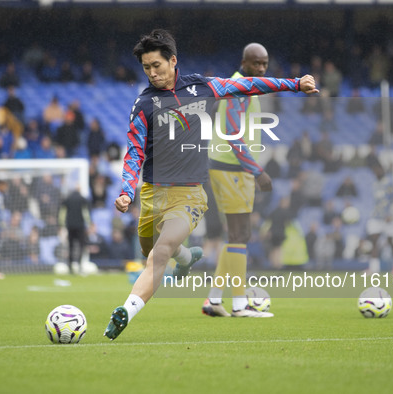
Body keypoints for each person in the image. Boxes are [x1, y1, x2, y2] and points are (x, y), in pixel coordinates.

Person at [104, 29, 318, 340]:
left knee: (159, 253)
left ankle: (125, 311)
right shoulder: (144, 105)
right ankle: (187, 257)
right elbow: (134, 152)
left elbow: (248, 85)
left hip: (190, 193)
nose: (152, 73)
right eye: (146, 68)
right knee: (154, 249)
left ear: (173, 61)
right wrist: (126, 191)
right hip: (153, 194)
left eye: (157, 66)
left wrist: (295, 84)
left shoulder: (201, 87)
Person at [202, 43, 275, 318]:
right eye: (256, 63)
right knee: (240, 234)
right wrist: (257, 170)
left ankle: (214, 299)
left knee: (236, 236)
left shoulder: (244, 86)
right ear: (243, 61)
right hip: (232, 168)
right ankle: (240, 305)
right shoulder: (237, 88)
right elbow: (233, 133)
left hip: (229, 167)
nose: (261, 68)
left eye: (265, 64)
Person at [366, 164, 393, 273]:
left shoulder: (389, 183)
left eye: (377, 170)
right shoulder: (375, 184)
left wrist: (391, 214)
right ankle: (374, 268)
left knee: (391, 241)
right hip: (377, 217)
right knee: (374, 241)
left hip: (388, 218)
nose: (376, 172)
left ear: (382, 170)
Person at [59, 187, 91, 274]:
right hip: (80, 226)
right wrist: (88, 223)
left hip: (70, 226)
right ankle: (79, 264)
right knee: (81, 246)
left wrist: (61, 223)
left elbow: (62, 212)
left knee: (71, 246)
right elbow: (86, 212)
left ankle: (70, 265)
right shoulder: (82, 199)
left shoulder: (67, 199)